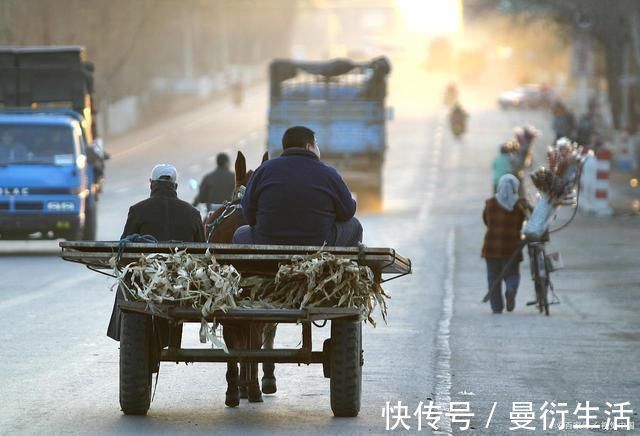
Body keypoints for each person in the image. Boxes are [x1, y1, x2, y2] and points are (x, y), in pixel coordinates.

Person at [107, 164, 205, 341]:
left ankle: (119, 335)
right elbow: (202, 252)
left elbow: (125, 245)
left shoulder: (138, 210)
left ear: (151, 184)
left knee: (125, 282)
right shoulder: (193, 213)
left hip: (145, 281)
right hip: (183, 283)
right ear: (175, 186)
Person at [233, 126, 362, 246]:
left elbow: (248, 213)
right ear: (308, 147)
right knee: (354, 225)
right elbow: (348, 212)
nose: (318, 148)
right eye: (316, 144)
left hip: (267, 242)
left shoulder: (264, 170)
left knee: (239, 233)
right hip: (320, 245)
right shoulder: (329, 174)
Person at [481, 174, 529, 314]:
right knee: (512, 273)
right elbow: (523, 223)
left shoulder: (490, 204)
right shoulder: (520, 205)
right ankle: (511, 288)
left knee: (492, 277)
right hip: (512, 248)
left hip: (491, 247)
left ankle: (496, 307)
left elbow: (486, 221)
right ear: (515, 188)